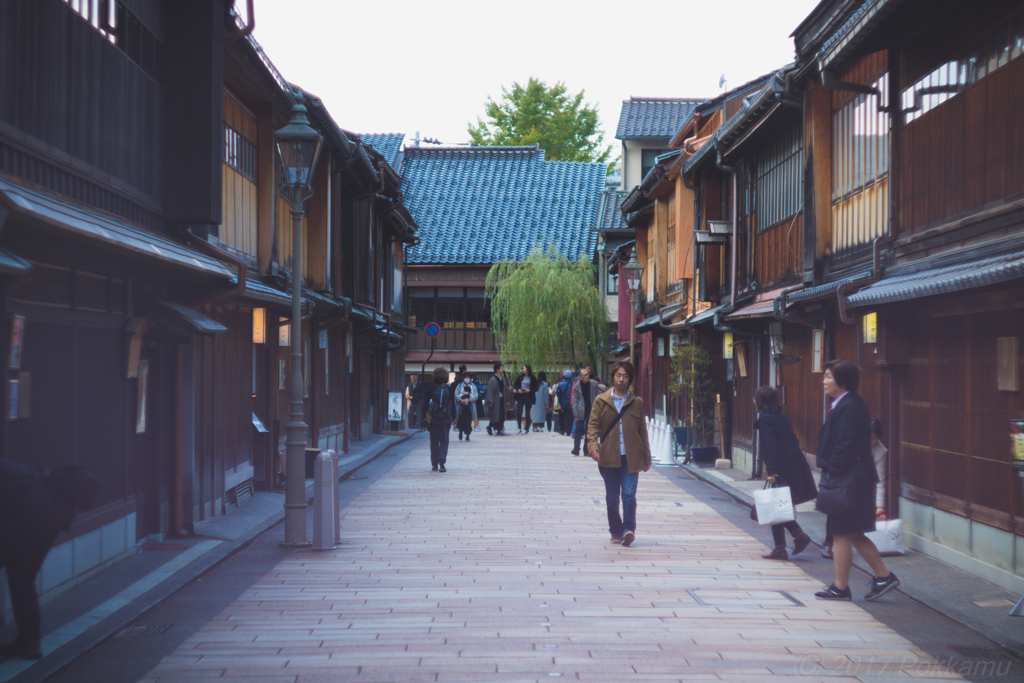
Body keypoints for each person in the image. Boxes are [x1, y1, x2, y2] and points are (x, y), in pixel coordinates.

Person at [814, 359, 899, 601]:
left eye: (829, 376)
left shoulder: (849, 405)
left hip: (850, 480)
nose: (824, 381)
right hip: (853, 478)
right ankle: (881, 577)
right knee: (849, 532)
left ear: (842, 380)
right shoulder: (845, 403)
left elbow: (845, 444)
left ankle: (843, 587)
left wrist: (832, 474)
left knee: (843, 532)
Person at [1, 461, 101, 660]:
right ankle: (30, 643)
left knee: (22, 577)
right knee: (23, 578)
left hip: (32, 508)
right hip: (56, 511)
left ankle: (28, 643)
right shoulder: (16, 471)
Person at [587, 361, 651, 547]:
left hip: (631, 458)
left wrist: (647, 458)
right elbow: (593, 426)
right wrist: (593, 447)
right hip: (608, 457)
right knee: (612, 498)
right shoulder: (601, 401)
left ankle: (628, 529)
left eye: (625, 376)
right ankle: (615, 530)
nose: (621, 379)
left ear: (630, 379)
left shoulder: (637, 402)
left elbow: (643, 432)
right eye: (618, 375)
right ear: (612, 377)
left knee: (629, 495)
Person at [753, 386, 816, 560]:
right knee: (777, 504)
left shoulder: (765, 419)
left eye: (755, 399)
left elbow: (771, 446)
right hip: (793, 462)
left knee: (775, 504)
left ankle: (790, 542)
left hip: (781, 466)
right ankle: (791, 541)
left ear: (760, 402)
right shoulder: (780, 416)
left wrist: (771, 471)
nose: (754, 402)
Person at [422, 366, 455, 471]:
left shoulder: (430, 388)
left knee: (434, 441)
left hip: (433, 419)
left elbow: (424, 404)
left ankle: (434, 464)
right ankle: (442, 463)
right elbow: (453, 405)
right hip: (445, 419)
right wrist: (454, 418)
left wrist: (424, 419)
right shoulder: (449, 389)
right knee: (444, 440)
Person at [571, 364, 600, 455]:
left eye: (588, 374)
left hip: (591, 409)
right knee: (578, 429)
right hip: (580, 410)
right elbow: (574, 401)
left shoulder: (594, 384)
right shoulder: (576, 386)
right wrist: (576, 414)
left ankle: (587, 450)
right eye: (585, 375)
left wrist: (597, 410)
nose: (587, 376)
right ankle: (576, 449)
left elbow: (597, 397)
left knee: (589, 430)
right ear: (580, 377)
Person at [485, 363, 512, 436]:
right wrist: (490, 401)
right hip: (495, 400)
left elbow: (505, 390)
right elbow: (490, 391)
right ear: (497, 369)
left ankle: (499, 430)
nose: (502, 369)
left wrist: (507, 400)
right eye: (501, 368)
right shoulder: (493, 379)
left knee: (502, 414)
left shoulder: (502, 379)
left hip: (502, 399)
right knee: (495, 415)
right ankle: (490, 427)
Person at [512, 364, 537, 434]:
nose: (523, 370)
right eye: (522, 368)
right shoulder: (520, 377)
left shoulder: (532, 378)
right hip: (521, 395)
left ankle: (526, 429)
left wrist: (529, 390)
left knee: (527, 413)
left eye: (524, 368)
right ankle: (519, 428)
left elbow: (536, 387)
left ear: (527, 369)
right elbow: (515, 385)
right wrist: (518, 389)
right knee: (519, 412)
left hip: (528, 396)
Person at [871, 418, 888, 521]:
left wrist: (879, 507)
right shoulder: (853, 445)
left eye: (876, 438)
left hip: (868, 490)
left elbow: (880, 480)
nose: (873, 442)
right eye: (871, 438)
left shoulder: (880, 451)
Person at [455, 372, 478, 442]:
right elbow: (456, 394)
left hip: (469, 407)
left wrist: (469, 399)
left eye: (468, 377)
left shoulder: (473, 386)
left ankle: (467, 435)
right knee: (461, 421)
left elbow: (476, 396)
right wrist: (460, 400)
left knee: (468, 421)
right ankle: (461, 432)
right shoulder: (459, 386)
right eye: (465, 377)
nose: (467, 379)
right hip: (461, 407)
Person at [555, 370, 574, 436]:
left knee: (561, 417)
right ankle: (568, 431)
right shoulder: (572, 384)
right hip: (570, 403)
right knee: (569, 418)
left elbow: (558, 393)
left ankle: (561, 430)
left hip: (562, 403)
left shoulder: (560, 383)